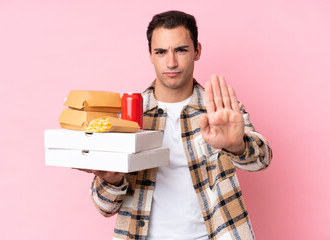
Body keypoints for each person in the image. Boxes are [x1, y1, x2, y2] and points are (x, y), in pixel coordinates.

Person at [83, 10, 272, 240]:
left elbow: (262, 159)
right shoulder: (128, 119)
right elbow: (105, 207)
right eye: (161, 52)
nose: (171, 62)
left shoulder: (221, 110)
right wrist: (110, 179)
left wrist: (238, 146)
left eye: (181, 50)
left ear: (197, 51)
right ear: (150, 55)